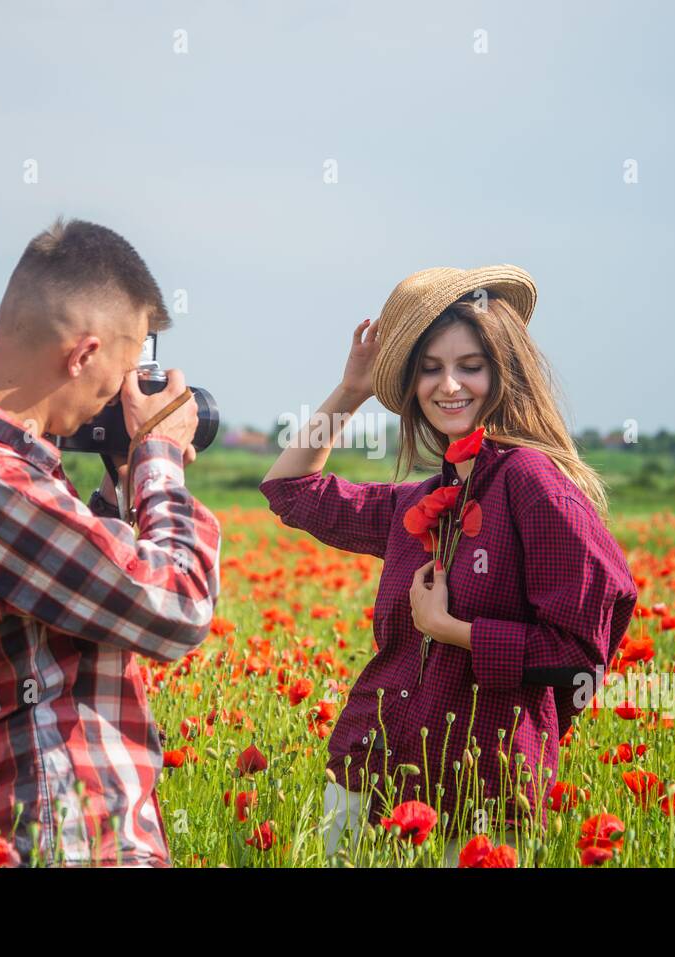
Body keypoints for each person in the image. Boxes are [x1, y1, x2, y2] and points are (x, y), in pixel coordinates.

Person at [260, 266, 639, 866]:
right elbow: (291, 489)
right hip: (368, 774)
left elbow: (579, 655)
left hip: (482, 796)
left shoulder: (535, 486)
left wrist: (452, 632)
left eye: (470, 366)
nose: (449, 385)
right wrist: (351, 391)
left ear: (503, 373)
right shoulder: (416, 504)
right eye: (430, 369)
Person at [0, 217, 221, 867]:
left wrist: (119, 483)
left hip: (7, 818)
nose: (111, 403)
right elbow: (180, 606)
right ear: (81, 354)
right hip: (58, 830)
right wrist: (159, 455)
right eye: (115, 381)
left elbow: (68, 600)